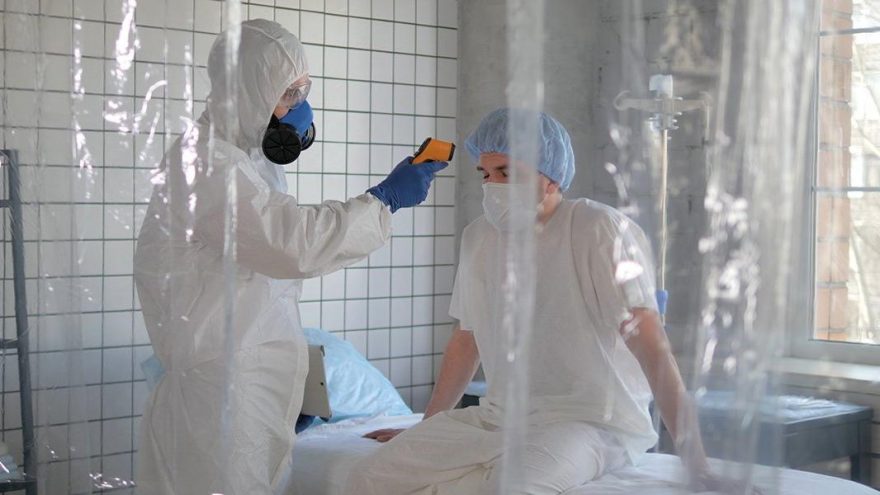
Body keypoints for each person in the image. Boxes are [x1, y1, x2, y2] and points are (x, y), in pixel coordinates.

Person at [344, 108, 737, 495]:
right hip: (499, 418)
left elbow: (652, 348)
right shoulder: (479, 237)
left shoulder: (599, 230)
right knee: (369, 479)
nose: (492, 185)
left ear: (551, 178)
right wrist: (428, 428)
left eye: (506, 172)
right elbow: (466, 340)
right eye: (485, 174)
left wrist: (696, 463)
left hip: (590, 423)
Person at [133, 19, 446, 495]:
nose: (299, 108)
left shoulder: (245, 159)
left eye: (304, 91)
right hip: (222, 389)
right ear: (248, 92)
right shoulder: (206, 163)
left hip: (247, 382)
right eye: (289, 94)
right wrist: (382, 201)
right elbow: (290, 243)